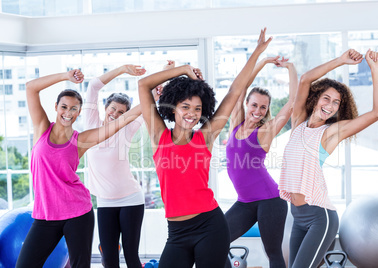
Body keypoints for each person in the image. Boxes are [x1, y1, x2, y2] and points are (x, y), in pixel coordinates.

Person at [138, 28, 272, 268]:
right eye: (185, 107)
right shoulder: (159, 136)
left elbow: (234, 91)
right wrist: (182, 69)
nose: (191, 114)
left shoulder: (205, 137)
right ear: (173, 108)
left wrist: (257, 52)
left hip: (210, 226)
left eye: (197, 109)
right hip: (176, 233)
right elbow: (143, 85)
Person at [16, 69, 144, 268]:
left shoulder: (81, 141)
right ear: (56, 107)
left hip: (77, 212)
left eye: (74, 109)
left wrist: (152, 95)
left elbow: (121, 122)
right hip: (46, 214)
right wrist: (65, 76)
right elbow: (31, 88)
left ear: (79, 112)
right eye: (64, 107)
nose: (68, 113)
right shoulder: (42, 128)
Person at [278, 49, 378, 268]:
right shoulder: (298, 122)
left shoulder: (330, 132)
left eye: (336, 102)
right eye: (326, 98)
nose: (330, 105)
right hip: (297, 217)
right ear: (315, 98)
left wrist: (374, 70)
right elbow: (306, 79)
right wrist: (340, 61)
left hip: (320, 217)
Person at [224, 55, 298, 268]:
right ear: (247, 103)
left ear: (267, 110)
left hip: (270, 201)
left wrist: (290, 68)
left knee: (273, 253)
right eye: (254, 105)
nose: (257, 111)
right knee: (216, 240)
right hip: (244, 202)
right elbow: (240, 87)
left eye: (263, 108)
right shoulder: (235, 124)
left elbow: (292, 104)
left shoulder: (264, 131)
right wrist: (263, 63)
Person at [83, 64, 146, 268]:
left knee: (131, 255)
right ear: (105, 108)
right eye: (113, 109)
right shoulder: (91, 125)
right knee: (109, 259)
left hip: (131, 199)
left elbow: (146, 106)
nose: (115, 114)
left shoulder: (126, 130)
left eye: (122, 112)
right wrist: (123, 69)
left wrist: (160, 79)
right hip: (105, 202)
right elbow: (92, 87)